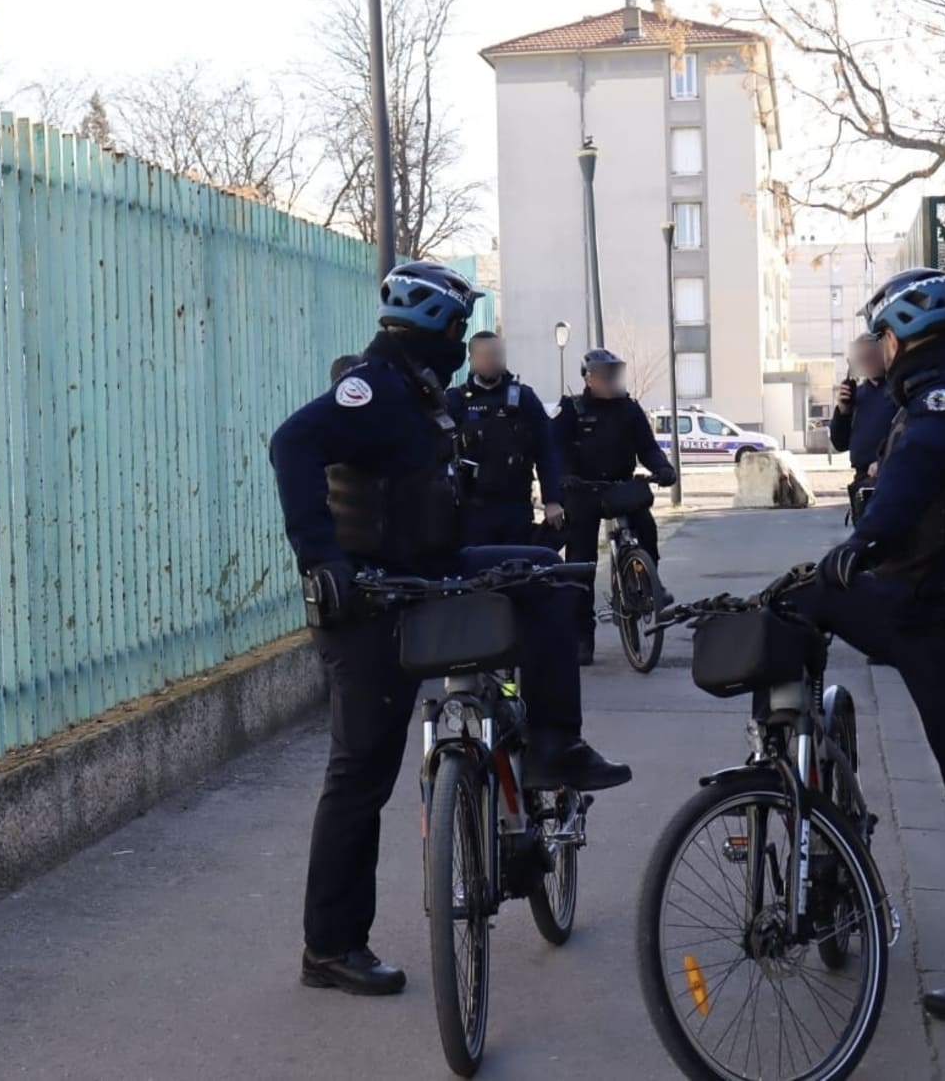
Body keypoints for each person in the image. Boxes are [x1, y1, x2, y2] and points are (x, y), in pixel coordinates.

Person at [269, 260, 632, 997]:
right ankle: (331, 948)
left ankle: (555, 743)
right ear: (438, 328)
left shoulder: (420, 389)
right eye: (459, 328)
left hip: (428, 568)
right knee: (360, 774)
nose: (465, 342)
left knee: (548, 573)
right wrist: (322, 560)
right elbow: (291, 444)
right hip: (367, 596)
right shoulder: (372, 390)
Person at [782, 266, 945, 1024]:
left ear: (896, 339)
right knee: (801, 599)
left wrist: (866, 540)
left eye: (882, 340)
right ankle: (809, 755)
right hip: (934, 614)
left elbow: (913, 476)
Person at [551, 349, 677, 665]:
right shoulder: (572, 410)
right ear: (589, 378)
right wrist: (563, 478)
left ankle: (648, 584)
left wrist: (663, 468)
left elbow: (647, 447)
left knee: (646, 527)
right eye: (605, 375)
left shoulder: (629, 409)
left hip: (621, 487)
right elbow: (553, 449)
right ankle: (583, 636)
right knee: (581, 563)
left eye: (614, 375)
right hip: (583, 490)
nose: (612, 381)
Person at [446, 331, 566, 546]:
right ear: (471, 360)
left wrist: (553, 500)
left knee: (518, 571)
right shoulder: (455, 401)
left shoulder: (524, 399)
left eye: (496, 355)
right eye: (484, 355)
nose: (491, 361)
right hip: (472, 510)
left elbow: (546, 451)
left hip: (515, 507)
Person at [828, 332, 894, 523]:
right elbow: (839, 443)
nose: (868, 363)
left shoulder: (899, 390)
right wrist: (843, 411)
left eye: (872, 357)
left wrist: (883, 461)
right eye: (863, 359)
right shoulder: (858, 395)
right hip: (863, 479)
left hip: (892, 475)